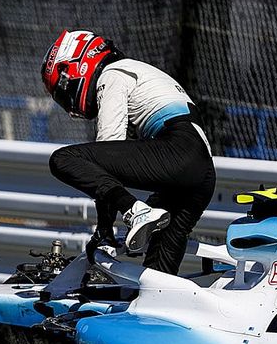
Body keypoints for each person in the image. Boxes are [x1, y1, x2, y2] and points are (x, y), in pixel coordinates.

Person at [42, 29, 216, 275]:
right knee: (156, 281)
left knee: (63, 159)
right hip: (202, 170)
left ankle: (136, 211)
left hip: (178, 150)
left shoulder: (112, 74)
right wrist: (105, 228)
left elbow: (106, 150)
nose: (69, 106)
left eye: (64, 90)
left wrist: (105, 226)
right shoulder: (140, 71)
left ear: (79, 67)